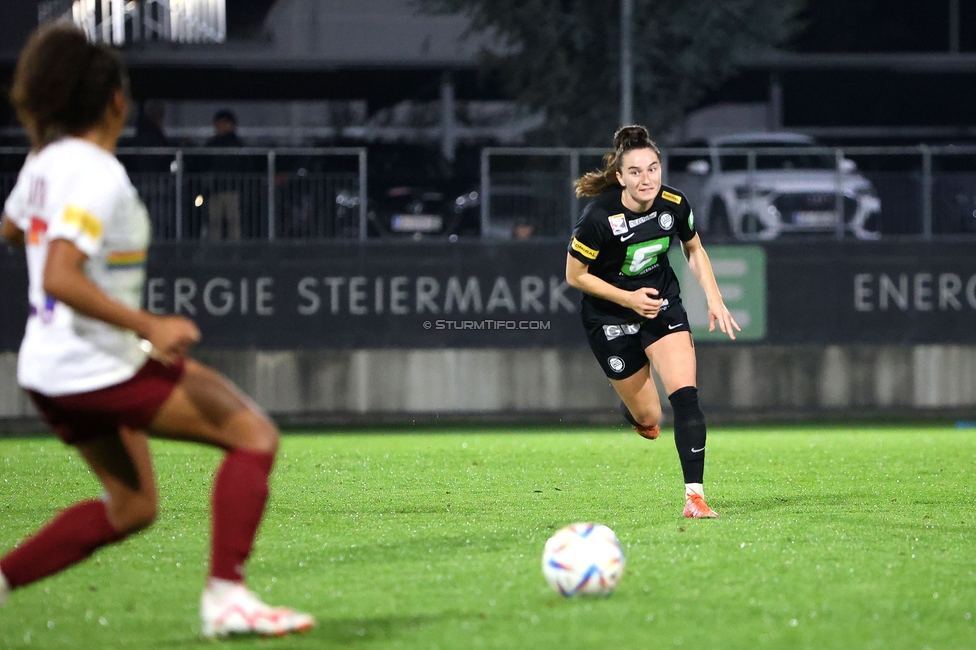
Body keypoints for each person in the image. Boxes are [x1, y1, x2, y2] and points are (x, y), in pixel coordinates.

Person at [0, 24, 314, 637]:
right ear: (117, 102)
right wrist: (149, 323)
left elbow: (13, 230)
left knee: (134, 507)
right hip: (97, 365)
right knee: (252, 435)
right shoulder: (96, 173)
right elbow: (63, 273)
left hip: (48, 369)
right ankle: (227, 597)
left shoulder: (44, 162)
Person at [565, 125, 740, 519]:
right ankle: (636, 413)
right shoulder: (598, 217)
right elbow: (575, 276)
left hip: (661, 306)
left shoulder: (674, 203)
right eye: (636, 172)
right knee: (650, 419)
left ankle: (694, 498)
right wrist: (628, 298)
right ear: (621, 177)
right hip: (609, 314)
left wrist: (714, 298)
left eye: (654, 168)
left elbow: (693, 248)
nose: (647, 179)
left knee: (686, 397)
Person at [205, 108, 244, 241]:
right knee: (215, 222)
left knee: (232, 223)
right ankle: (216, 253)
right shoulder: (212, 144)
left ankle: (234, 254)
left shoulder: (236, 144)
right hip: (216, 189)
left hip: (231, 189)